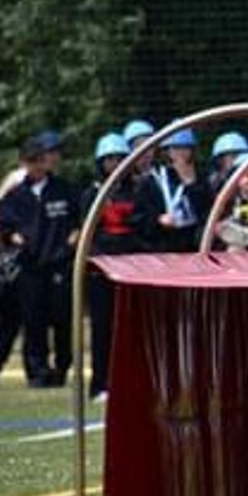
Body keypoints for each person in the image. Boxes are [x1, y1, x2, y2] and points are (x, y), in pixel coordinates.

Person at [0, 131, 80, 388]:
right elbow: (3, 224)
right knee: (33, 321)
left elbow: (79, 219)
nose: (37, 165)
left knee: (62, 319)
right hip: (29, 266)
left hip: (59, 263)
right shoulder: (15, 195)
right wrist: (13, 237)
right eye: (31, 161)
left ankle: (62, 367)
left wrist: (74, 238)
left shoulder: (64, 190)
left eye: (40, 159)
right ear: (23, 163)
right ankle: (38, 372)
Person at [81, 132, 154, 400]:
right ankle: (101, 383)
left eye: (120, 159)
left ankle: (133, 382)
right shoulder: (92, 193)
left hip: (131, 268)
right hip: (101, 270)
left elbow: (145, 227)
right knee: (102, 327)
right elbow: (88, 232)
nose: (114, 164)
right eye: (109, 159)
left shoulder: (139, 191)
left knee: (133, 328)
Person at [0, 161, 30, 389]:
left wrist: (0, 251)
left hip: (17, 257)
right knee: (6, 316)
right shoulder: (16, 181)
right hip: (9, 254)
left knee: (9, 316)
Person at [144, 128, 213, 252]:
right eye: (176, 148)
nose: (181, 154)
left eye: (185, 148)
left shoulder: (201, 177)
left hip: (193, 244)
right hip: (162, 245)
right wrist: (157, 219)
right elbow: (140, 217)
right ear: (167, 151)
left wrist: (191, 184)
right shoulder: (153, 179)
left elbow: (208, 212)